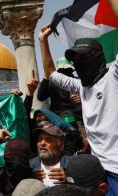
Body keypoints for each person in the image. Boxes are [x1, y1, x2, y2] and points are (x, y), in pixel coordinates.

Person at [39, 23, 118, 195]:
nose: (79, 63)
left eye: (83, 58)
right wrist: (43, 40)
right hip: (96, 172)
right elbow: (51, 73)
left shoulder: (113, 78)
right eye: (75, 60)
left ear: (97, 57)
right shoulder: (82, 86)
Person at [29, 122, 71, 187]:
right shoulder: (29, 166)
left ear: (61, 146)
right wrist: (31, 180)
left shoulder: (71, 165)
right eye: (40, 139)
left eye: (48, 140)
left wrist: (70, 180)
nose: (42, 143)